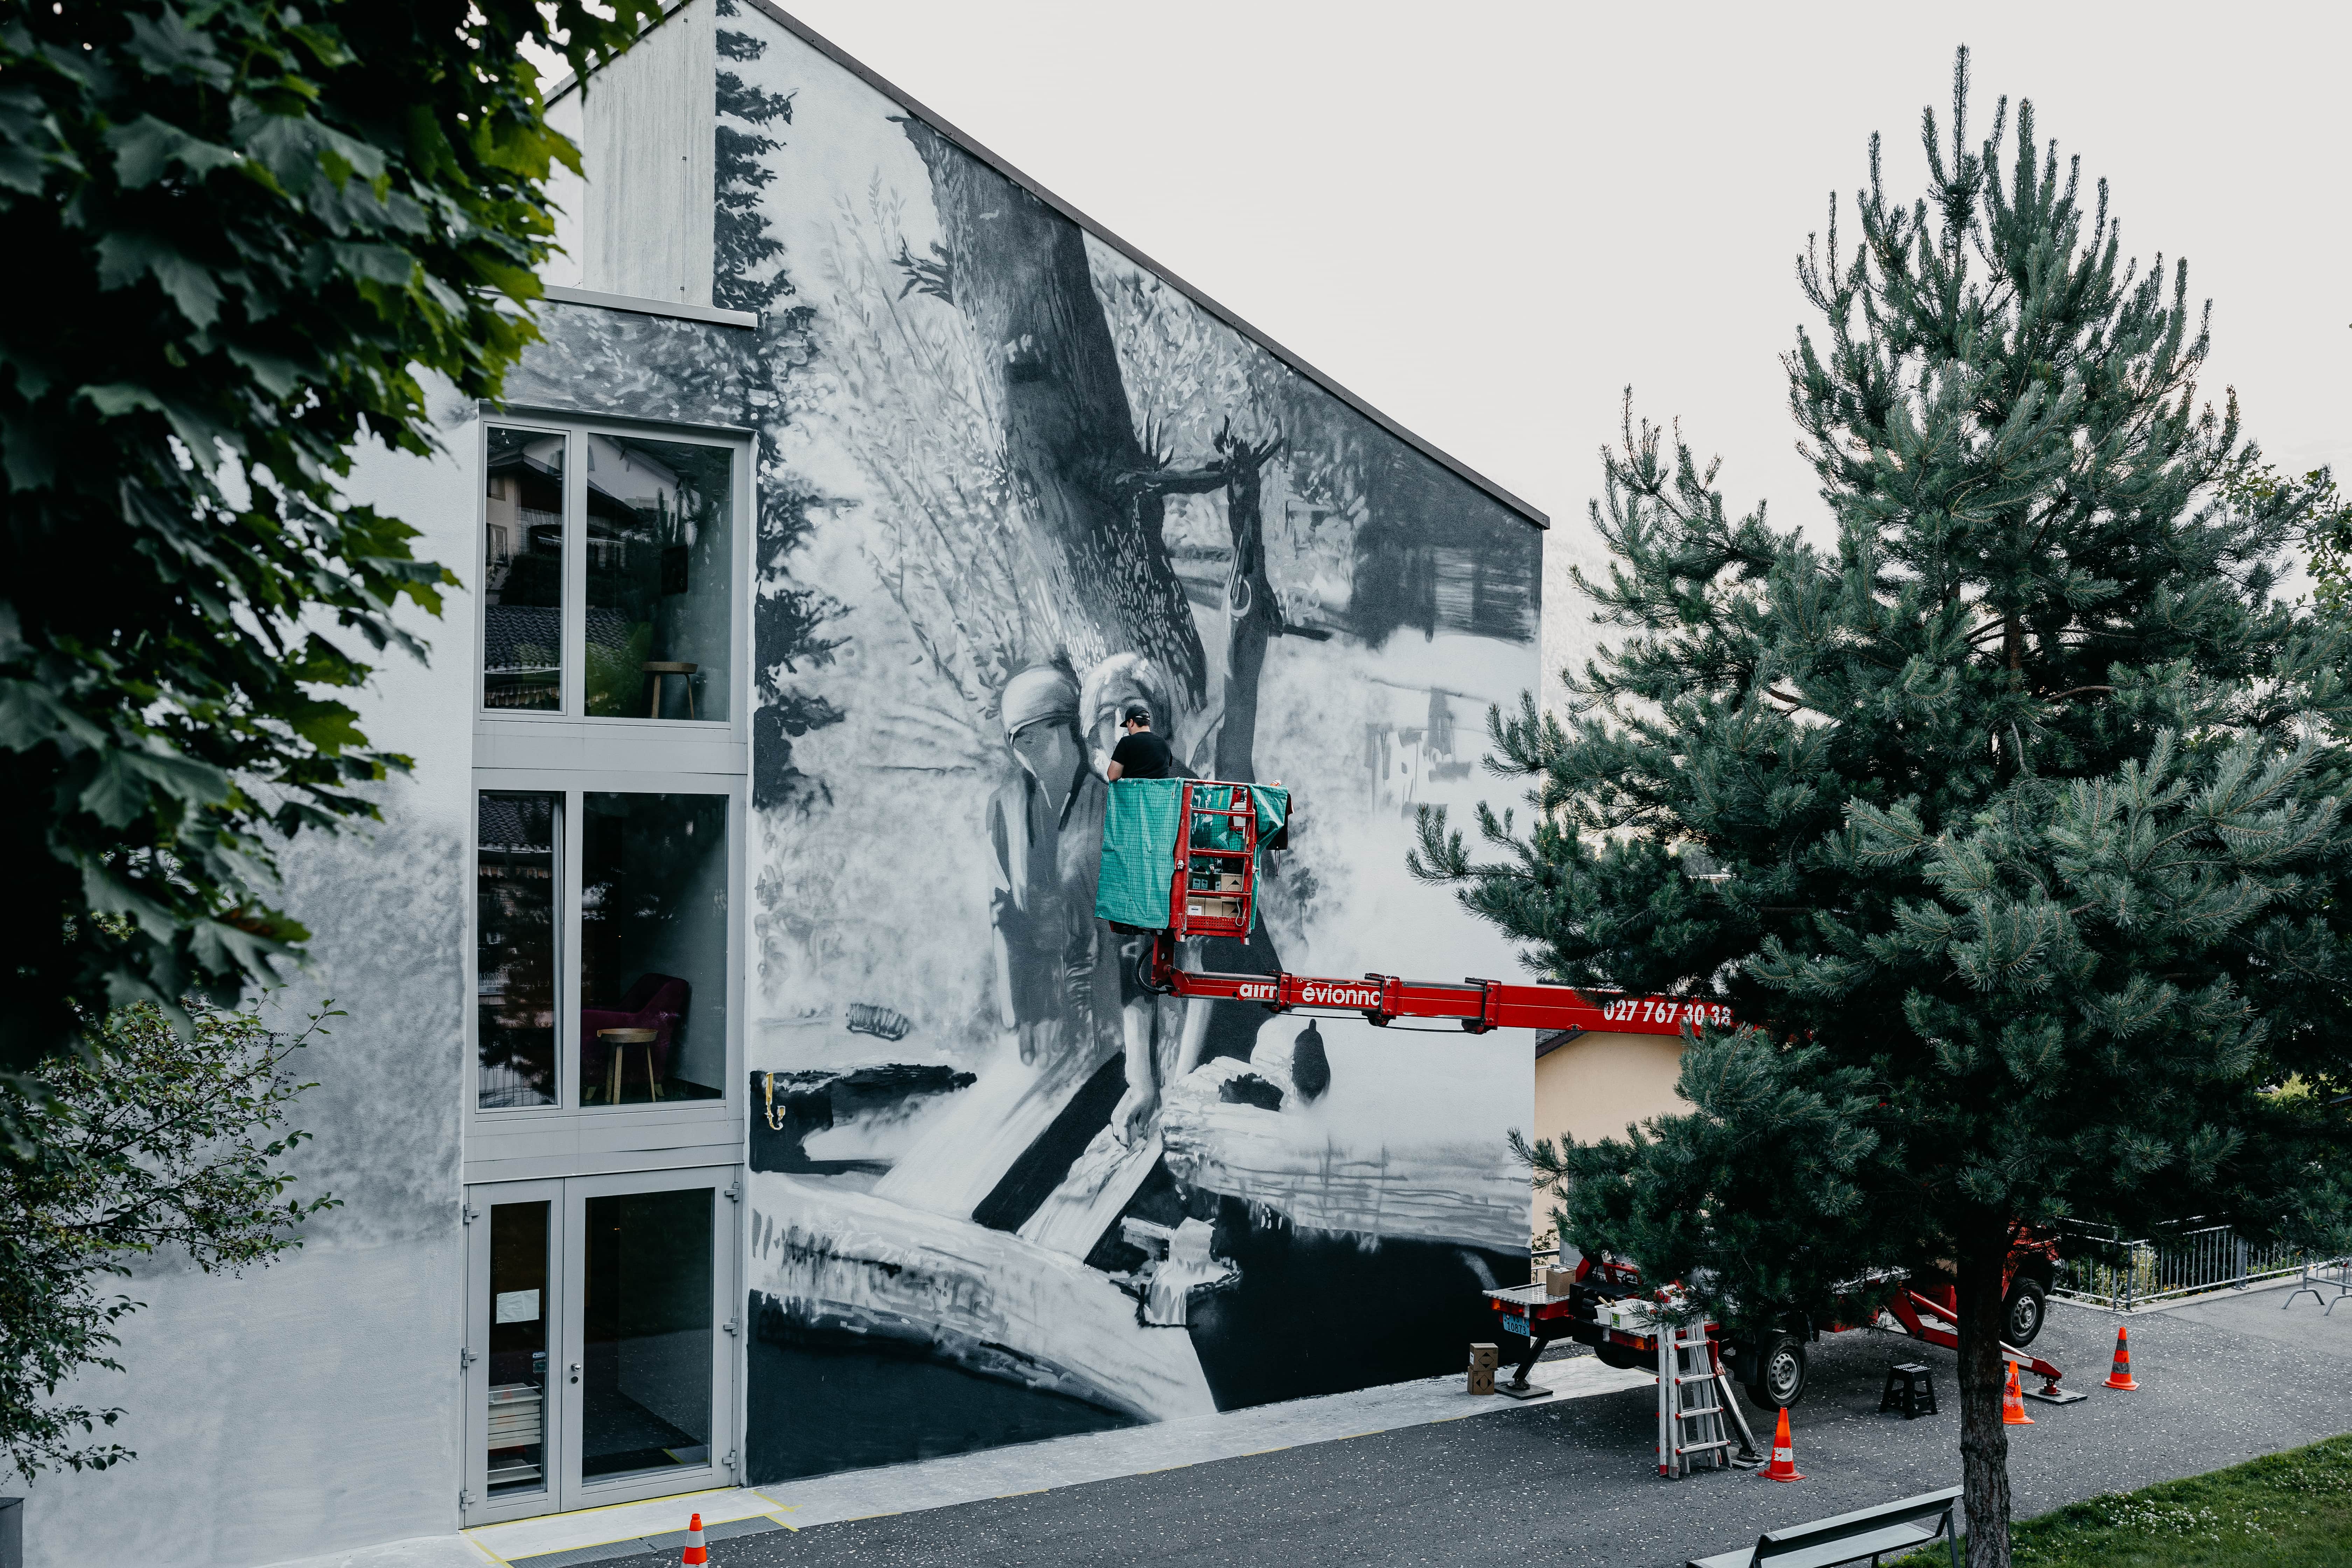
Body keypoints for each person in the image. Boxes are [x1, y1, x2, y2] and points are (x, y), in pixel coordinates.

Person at [1105, 703, 1173, 781]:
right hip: (1159, 793)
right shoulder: (1164, 744)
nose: (1128, 730)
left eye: (1127, 726)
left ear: (1131, 722)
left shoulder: (1126, 742)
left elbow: (1113, 776)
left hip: (1135, 793)